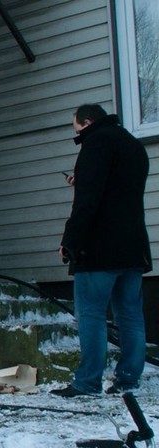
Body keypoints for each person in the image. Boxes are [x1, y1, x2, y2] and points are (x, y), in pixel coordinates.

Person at [51, 104, 151, 397]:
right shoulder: (133, 146)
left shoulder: (96, 143)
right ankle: (129, 378)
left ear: (87, 121)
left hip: (99, 248)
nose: (79, 136)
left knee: (91, 314)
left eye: (77, 130)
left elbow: (89, 201)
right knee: (130, 315)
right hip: (133, 246)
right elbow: (116, 190)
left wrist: (70, 241)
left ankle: (88, 381)